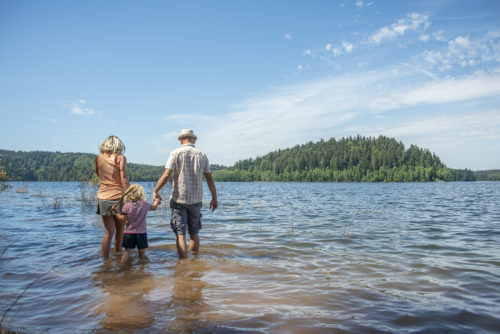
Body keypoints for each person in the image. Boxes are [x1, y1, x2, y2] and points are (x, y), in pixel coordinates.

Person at [153, 129, 218, 259]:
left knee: (180, 233)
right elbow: (209, 178)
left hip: (179, 199)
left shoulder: (175, 153)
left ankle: (182, 264)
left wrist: (156, 191)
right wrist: (214, 198)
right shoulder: (202, 155)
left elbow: (166, 175)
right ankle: (195, 261)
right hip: (196, 200)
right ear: (194, 140)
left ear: (181, 139)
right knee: (194, 233)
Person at [95, 135, 130, 259]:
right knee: (120, 231)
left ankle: (105, 261)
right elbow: (123, 178)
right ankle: (118, 254)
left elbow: (99, 175)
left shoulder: (98, 158)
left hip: (103, 197)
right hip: (118, 197)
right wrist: (129, 194)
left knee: (108, 232)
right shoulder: (120, 157)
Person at [112, 184, 161, 264]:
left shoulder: (126, 206)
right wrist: (157, 201)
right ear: (141, 194)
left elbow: (122, 220)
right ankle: (142, 269)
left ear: (129, 195)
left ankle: (121, 267)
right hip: (141, 233)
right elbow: (154, 208)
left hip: (129, 233)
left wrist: (116, 211)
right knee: (142, 253)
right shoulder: (144, 204)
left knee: (127, 252)